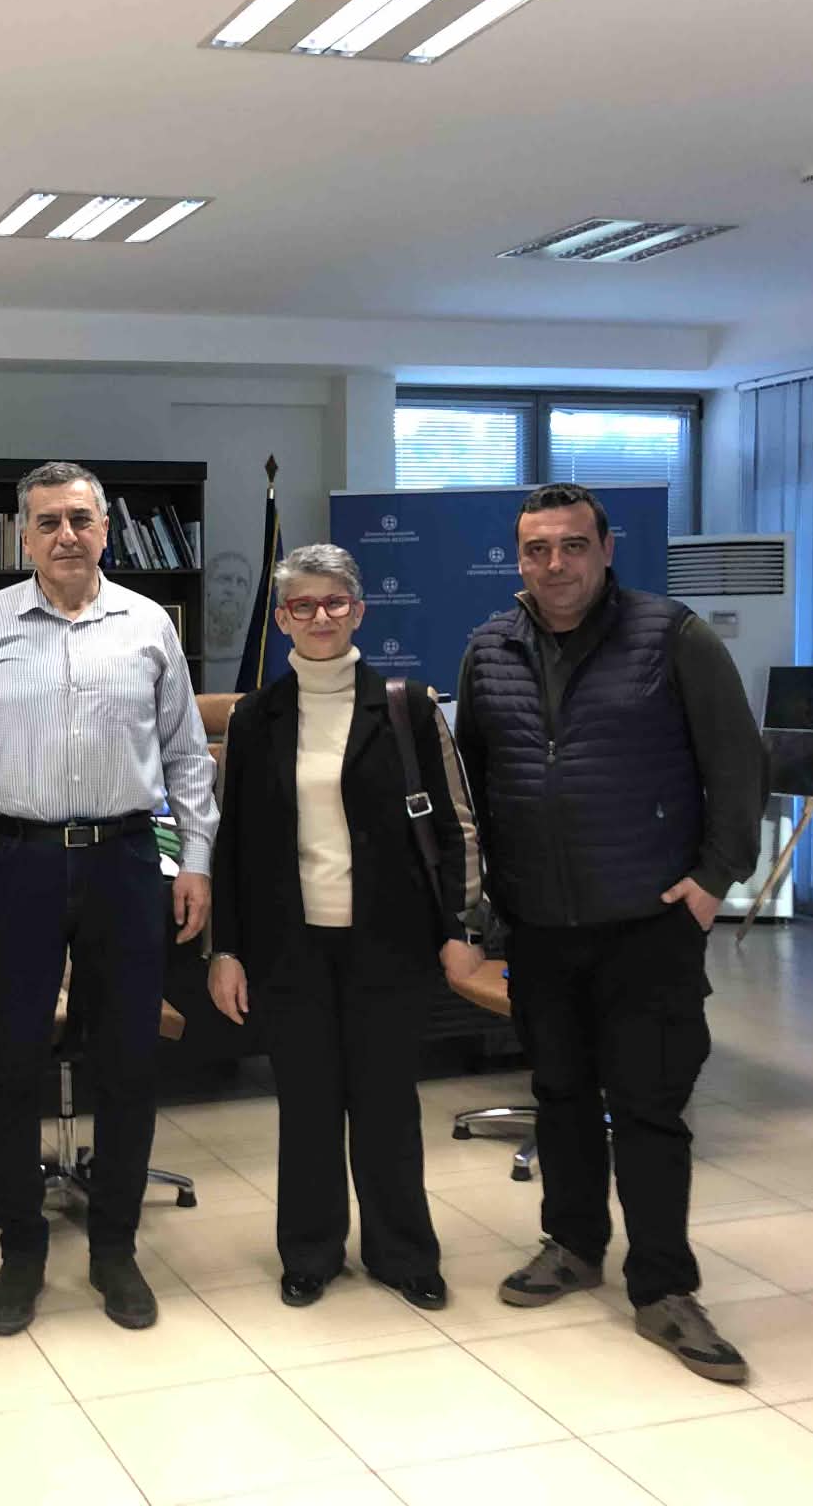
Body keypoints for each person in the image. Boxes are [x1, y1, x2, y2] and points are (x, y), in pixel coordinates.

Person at [456, 481, 764, 1384]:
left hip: (648, 921)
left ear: (605, 548)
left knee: (648, 1107)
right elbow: (473, 781)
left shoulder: (674, 638)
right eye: (537, 549)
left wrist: (712, 881)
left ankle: (664, 1286)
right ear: (519, 557)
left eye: (572, 546)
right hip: (538, 924)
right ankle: (573, 1244)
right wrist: (485, 904)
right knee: (559, 1094)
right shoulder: (489, 648)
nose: (555, 564)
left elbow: (738, 765)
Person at [0, 460, 219, 1336]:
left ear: (106, 530)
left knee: (128, 1060)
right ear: (24, 537)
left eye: (80, 519)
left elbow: (186, 756)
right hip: (15, 861)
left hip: (126, 860)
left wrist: (197, 859)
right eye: (48, 522)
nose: (66, 535)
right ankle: (22, 1250)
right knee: (10, 1061)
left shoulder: (148, 624)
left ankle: (114, 1248)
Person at [207, 544, 481, 1312]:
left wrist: (460, 927)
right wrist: (226, 949)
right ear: (283, 618)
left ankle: (404, 1253)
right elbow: (233, 844)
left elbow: (455, 825)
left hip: (388, 941)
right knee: (308, 1107)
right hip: (289, 944)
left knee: (388, 1104)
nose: (319, 616)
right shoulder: (256, 717)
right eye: (302, 604)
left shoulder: (407, 706)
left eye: (334, 602)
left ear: (358, 610)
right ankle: (310, 1252)